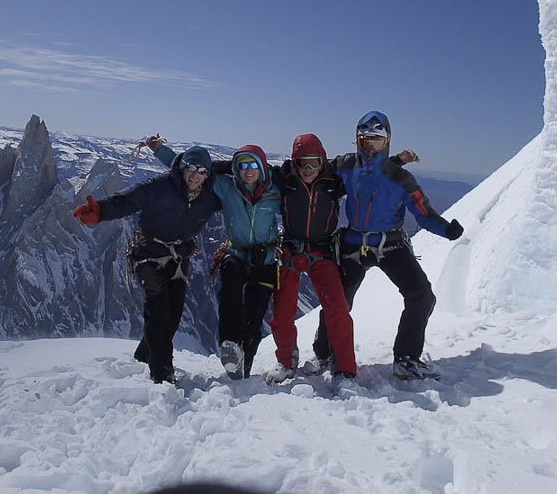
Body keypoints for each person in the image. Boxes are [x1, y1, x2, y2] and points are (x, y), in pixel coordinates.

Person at [308, 110, 463, 380]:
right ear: (356, 140)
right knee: (337, 301)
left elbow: (424, 214)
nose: (370, 145)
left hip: (388, 244)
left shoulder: (400, 178)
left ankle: (405, 359)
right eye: (365, 139)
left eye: (376, 140)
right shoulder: (345, 165)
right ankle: (324, 353)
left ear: (387, 140)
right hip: (356, 244)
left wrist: (446, 229)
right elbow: (311, 172)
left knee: (421, 296)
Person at [72, 145, 221, 384]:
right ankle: (162, 373)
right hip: (147, 254)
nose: (195, 175)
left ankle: (144, 354)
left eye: (202, 171)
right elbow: (127, 201)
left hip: (178, 258)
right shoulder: (159, 187)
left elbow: (239, 189)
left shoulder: (210, 197)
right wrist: (100, 211)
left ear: (208, 174)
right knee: (159, 308)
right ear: (182, 168)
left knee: (172, 316)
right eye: (191, 168)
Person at [151, 140, 281, 380]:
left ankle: (244, 366)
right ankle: (229, 345)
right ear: (236, 170)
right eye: (242, 166)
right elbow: (192, 168)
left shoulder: (275, 192)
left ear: (262, 168)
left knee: (255, 311)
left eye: (253, 165)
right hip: (237, 253)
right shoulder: (226, 186)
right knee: (229, 294)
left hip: (266, 257)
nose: (248, 170)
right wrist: (159, 150)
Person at [260, 133, 358, 396]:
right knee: (282, 312)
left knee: (337, 307)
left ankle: (345, 368)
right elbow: (251, 165)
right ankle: (286, 362)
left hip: (322, 250)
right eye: (303, 163)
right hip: (291, 250)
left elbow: (367, 165)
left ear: (322, 161)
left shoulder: (334, 180)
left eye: (314, 163)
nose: (308, 169)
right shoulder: (284, 177)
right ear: (294, 162)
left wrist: (398, 161)